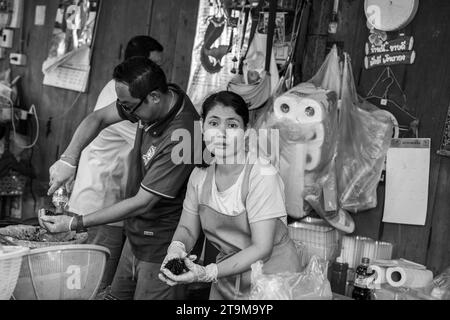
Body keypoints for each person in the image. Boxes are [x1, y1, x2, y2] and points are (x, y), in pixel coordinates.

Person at [40, 57, 200, 300]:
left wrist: (74, 223)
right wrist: (68, 159)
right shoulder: (154, 101)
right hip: (136, 234)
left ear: (154, 97)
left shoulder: (184, 137)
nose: (125, 112)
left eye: (129, 106)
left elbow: (143, 202)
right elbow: (98, 118)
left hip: (163, 245)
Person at [158, 91, 301, 300]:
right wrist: (176, 250)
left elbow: (262, 248)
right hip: (227, 275)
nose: (221, 133)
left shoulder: (261, 174)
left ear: (246, 133)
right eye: (214, 123)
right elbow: (187, 228)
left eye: (232, 125)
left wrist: (208, 272)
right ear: (202, 127)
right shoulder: (199, 175)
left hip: (272, 280)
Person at [62, 36, 163, 292]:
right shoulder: (125, 97)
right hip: (99, 203)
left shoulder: (130, 92)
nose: (158, 74)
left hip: (114, 203)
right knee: (91, 286)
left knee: (94, 285)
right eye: (152, 67)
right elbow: (154, 141)